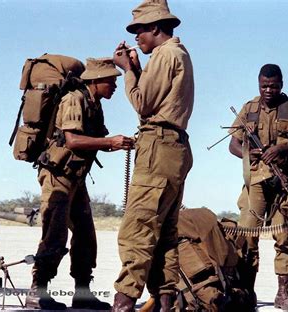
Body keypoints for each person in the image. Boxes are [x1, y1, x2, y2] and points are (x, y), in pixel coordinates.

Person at [25, 58, 133, 310]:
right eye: (111, 81)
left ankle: (82, 293)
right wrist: (110, 143)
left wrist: (122, 143)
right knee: (54, 233)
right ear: (96, 81)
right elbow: (73, 140)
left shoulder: (94, 104)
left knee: (85, 235)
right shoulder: (74, 99)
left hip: (75, 176)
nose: (115, 86)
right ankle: (36, 292)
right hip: (57, 175)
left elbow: (96, 140)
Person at [111, 0, 194, 311]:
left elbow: (143, 103)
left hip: (159, 146)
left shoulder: (165, 54)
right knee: (164, 236)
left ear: (156, 28)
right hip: (173, 148)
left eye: (139, 31)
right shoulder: (176, 54)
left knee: (138, 229)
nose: (136, 38)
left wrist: (127, 70)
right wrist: (136, 67)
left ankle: (123, 303)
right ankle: (165, 301)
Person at [229, 64, 288, 312]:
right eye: (265, 85)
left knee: (284, 237)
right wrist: (247, 152)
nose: (269, 90)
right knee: (247, 236)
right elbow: (233, 145)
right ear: (258, 84)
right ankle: (247, 293)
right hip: (255, 181)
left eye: (274, 85)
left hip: (284, 182)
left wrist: (283, 149)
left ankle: (282, 294)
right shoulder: (249, 109)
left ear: (282, 84)